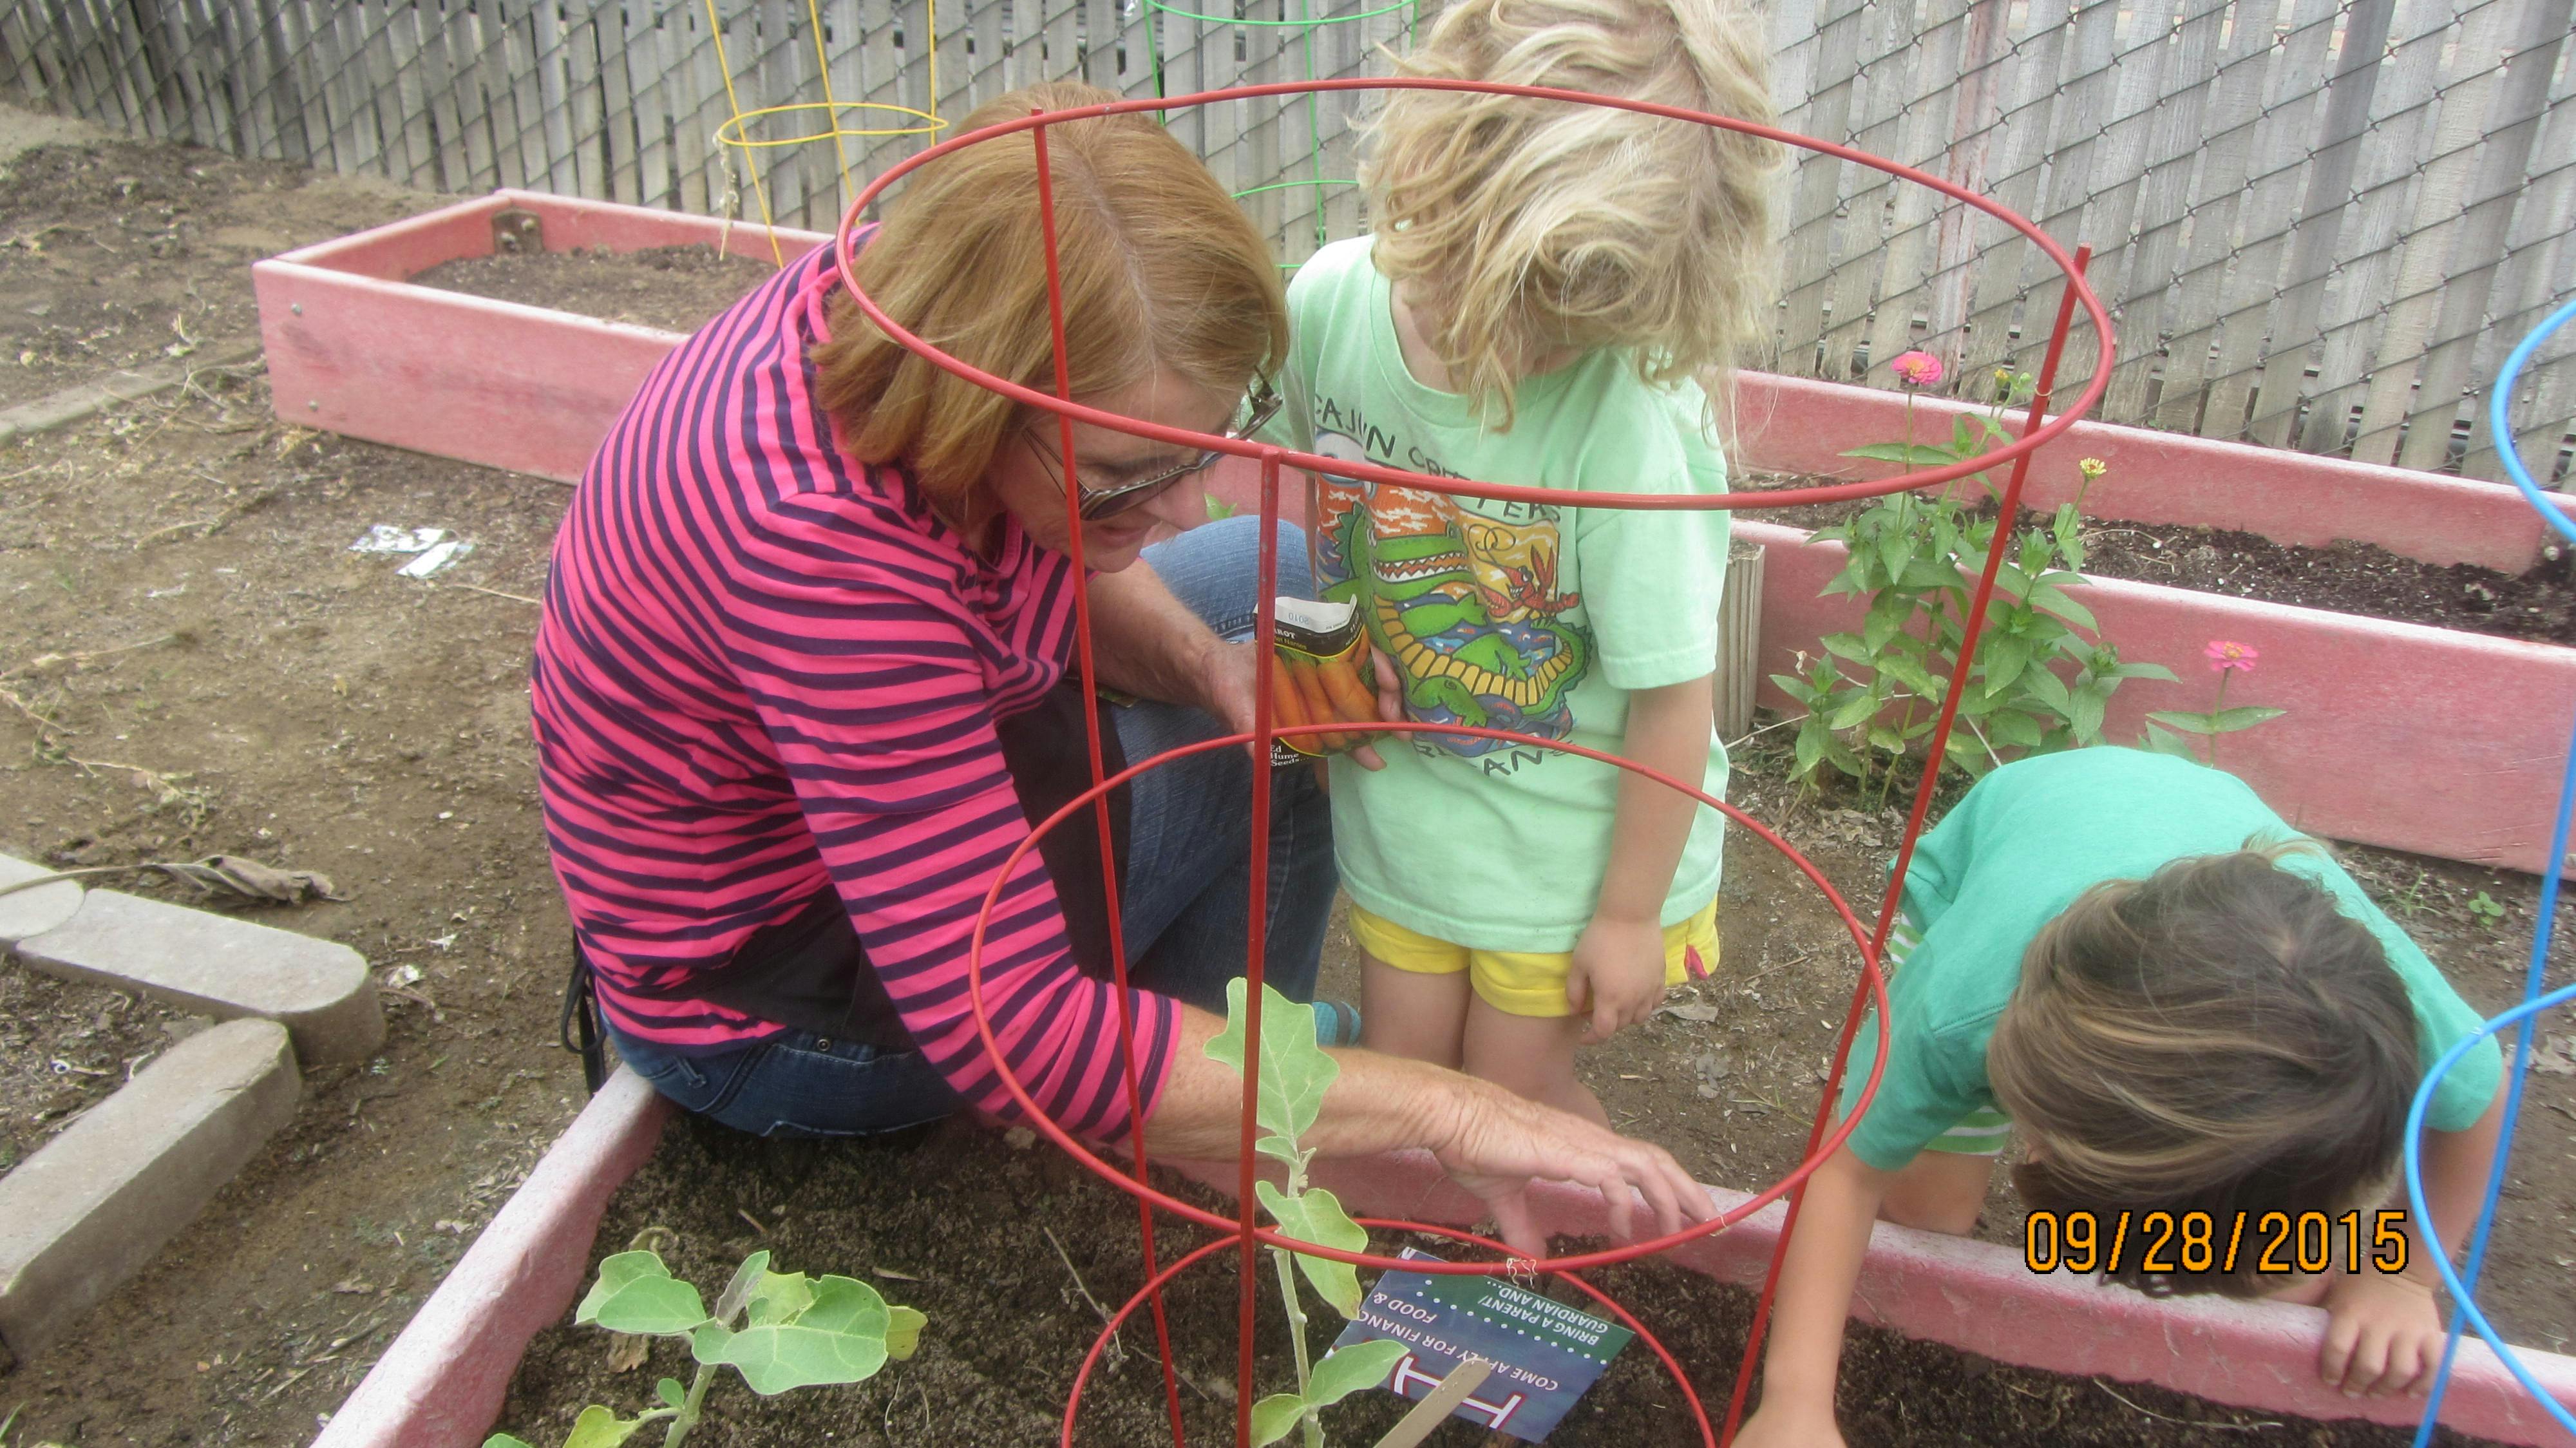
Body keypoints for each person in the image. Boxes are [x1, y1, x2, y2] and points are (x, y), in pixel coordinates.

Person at [529, 81, 1712, 1254]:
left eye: (1197, 449)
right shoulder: (820, 550)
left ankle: (1209, 1066)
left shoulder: (928, 289)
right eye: (1121, 478)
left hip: (869, 802)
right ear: (978, 406)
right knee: (1261, 752)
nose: (1185, 507)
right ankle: (1218, 1102)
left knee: (1277, 610)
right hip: (779, 1003)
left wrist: (1213, 669)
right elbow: (1011, 1031)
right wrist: (1455, 1106)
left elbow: (1098, 557)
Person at [1265, 0, 1776, 1120]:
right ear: (1434, 169)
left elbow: (1673, 698)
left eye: (1573, 318)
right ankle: (1412, 1231)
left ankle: (1559, 1232)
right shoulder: (1327, 310)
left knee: (1514, 1094)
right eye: (1510, 290)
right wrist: (1321, 659)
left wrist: (1629, 916)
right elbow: (1316, 498)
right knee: (1405, 1072)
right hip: (1407, 814)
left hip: (1569, 853)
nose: (1531, 345)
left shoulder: (1629, 421)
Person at [1734, 748, 2508, 1446]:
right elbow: (1846, 1170)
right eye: (2049, 1135)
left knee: (2290, 1275)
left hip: (2192, 823)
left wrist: (2398, 1274)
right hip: (2010, 834)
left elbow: (2481, 1099)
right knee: (1929, 1212)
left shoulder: (2384, 1018)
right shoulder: (1955, 1010)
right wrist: (1794, 1402)